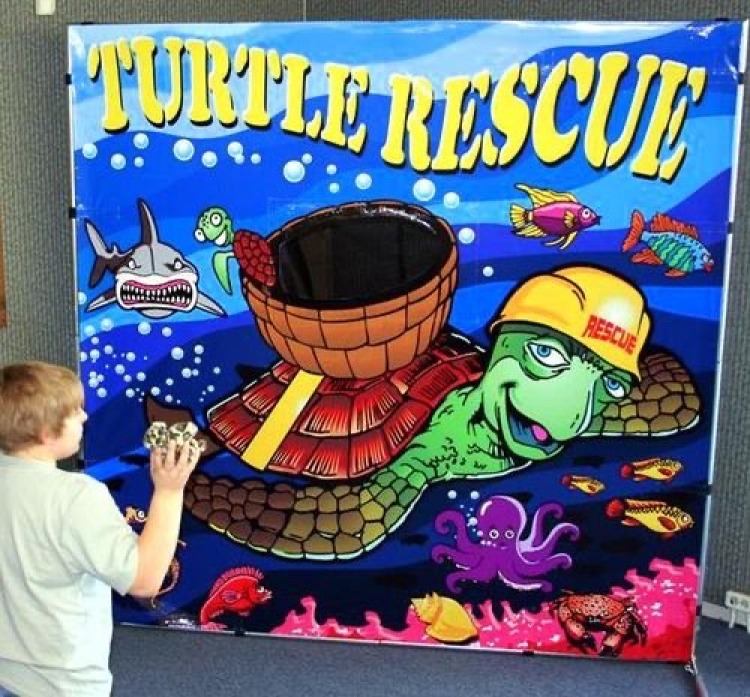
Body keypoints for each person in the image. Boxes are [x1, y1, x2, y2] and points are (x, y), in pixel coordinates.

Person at [0, 361, 200, 697]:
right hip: (60, 684)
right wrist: (169, 491)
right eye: (74, 411)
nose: (84, 417)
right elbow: (144, 580)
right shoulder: (77, 496)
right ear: (46, 432)